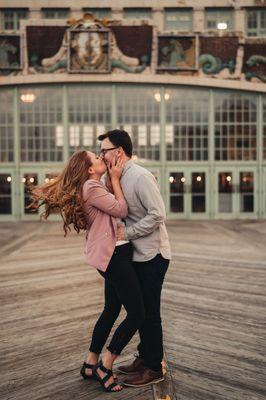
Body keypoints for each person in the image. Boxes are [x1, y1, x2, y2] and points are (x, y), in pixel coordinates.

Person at [28, 150, 145, 393]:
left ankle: (90, 363)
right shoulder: (92, 187)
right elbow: (121, 210)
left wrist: (111, 179)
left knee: (111, 309)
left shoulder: (94, 184)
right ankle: (106, 363)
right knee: (137, 313)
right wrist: (114, 179)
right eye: (97, 158)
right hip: (114, 256)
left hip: (111, 254)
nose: (103, 158)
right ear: (90, 169)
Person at [98, 129, 171, 387]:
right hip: (135, 256)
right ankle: (145, 356)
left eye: (104, 150)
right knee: (137, 310)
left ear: (118, 151)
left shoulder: (140, 177)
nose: (101, 155)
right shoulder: (116, 177)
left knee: (150, 312)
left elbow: (157, 215)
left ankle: (154, 368)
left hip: (152, 255)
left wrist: (127, 232)